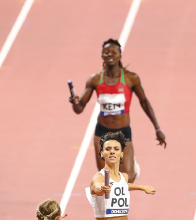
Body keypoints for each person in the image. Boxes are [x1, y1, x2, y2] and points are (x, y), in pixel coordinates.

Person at [70, 38, 166, 182]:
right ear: (102, 55)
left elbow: (144, 102)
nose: (110, 55)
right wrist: (75, 102)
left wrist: (157, 129)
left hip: (123, 132)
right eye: (106, 52)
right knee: (107, 179)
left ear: (120, 55)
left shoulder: (131, 79)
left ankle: (133, 168)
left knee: (126, 180)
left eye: (113, 52)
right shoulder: (95, 80)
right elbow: (79, 109)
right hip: (102, 132)